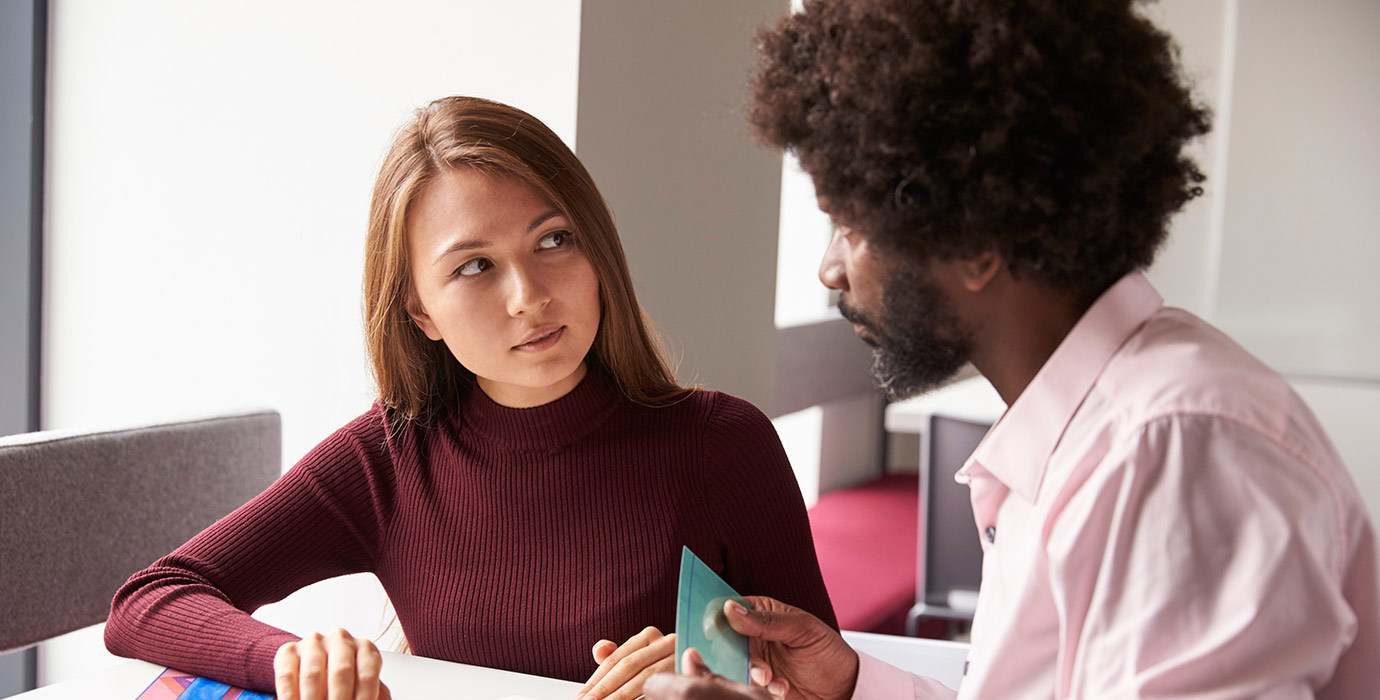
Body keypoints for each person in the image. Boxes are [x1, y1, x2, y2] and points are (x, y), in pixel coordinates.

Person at [644, 0, 1380, 698]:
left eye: (849, 224)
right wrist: (857, 686)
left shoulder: (1174, 450)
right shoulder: (1098, 427)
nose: (830, 269)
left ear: (972, 243)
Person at [104, 96, 837, 700]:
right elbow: (152, 597)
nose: (529, 297)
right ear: (420, 313)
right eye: (476, 266)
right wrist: (291, 660)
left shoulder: (723, 443)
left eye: (553, 241)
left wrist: (731, 680)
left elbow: (823, 678)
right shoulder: (387, 458)